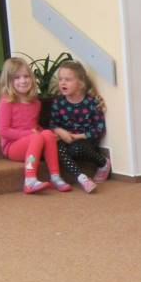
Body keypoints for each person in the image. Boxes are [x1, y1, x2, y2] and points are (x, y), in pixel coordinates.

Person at [0, 56, 69, 194]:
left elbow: (34, 126)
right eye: (17, 78)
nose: (23, 81)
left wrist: (46, 133)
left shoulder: (35, 103)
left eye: (26, 76)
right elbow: (3, 131)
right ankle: (29, 180)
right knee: (37, 136)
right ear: (8, 81)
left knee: (47, 134)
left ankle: (55, 176)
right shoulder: (7, 102)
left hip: (32, 141)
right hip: (12, 146)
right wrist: (31, 134)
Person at [47, 59, 109, 192]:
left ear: (80, 83)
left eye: (68, 79)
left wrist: (78, 137)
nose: (63, 82)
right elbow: (52, 124)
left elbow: (99, 129)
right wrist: (59, 131)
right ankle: (82, 178)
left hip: (85, 142)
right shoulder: (58, 103)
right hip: (66, 141)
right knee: (57, 149)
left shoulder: (91, 102)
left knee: (76, 148)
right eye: (60, 79)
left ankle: (103, 163)